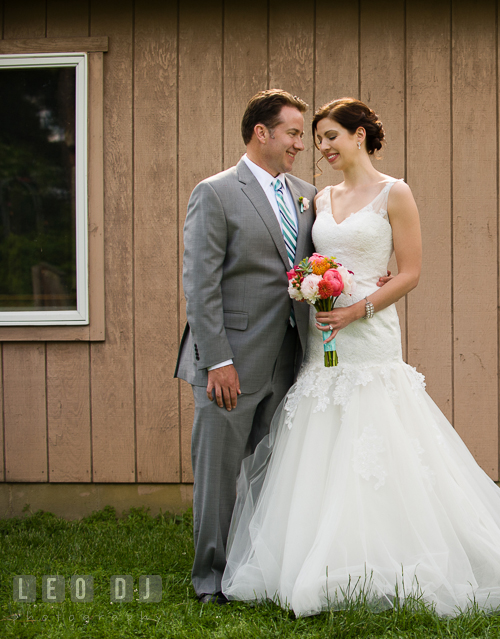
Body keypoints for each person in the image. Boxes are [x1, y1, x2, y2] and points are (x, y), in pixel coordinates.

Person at [221, 98, 500, 617]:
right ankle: (321, 559)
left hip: (368, 332)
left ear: (361, 136)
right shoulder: (318, 200)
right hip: (323, 333)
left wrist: (359, 309)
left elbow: (411, 272)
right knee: (324, 431)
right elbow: (310, 260)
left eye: (329, 137)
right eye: (316, 138)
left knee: (380, 431)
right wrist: (311, 289)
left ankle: (401, 555)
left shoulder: (396, 193)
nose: (320, 148)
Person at [175, 89, 318, 605]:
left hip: (289, 357)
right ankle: (209, 579)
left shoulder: (306, 193)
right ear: (263, 133)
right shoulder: (214, 193)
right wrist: (218, 359)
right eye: (294, 132)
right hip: (229, 361)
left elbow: (319, 265)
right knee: (218, 473)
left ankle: (253, 571)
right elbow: (200, 284)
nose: (301, 143)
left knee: (271, 471)